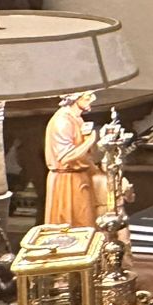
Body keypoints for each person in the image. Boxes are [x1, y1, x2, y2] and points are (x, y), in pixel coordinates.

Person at [44, 91, 109, 228]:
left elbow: (85, 153)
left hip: (80, 177)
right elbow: (65, 157)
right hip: (66, 180)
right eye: (87, 97)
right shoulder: (62, 121)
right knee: (70, 225)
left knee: (86, 221)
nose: (92, 99)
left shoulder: (77, 119)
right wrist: (89, 141)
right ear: (75, 98)